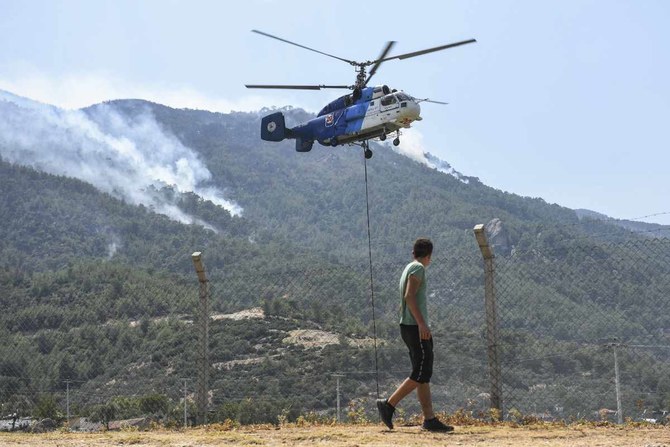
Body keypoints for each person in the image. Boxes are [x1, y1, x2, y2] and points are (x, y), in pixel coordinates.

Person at [376, 238, 453, 432]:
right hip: (414, 327)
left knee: (423, 374)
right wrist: (421, 324)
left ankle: (429, 419)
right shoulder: (418, 268)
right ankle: (389, 404)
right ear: (428, 256)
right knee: (420, 371)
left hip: (408, 326)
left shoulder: (409, 267)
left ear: (413, 253)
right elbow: (409, 296)